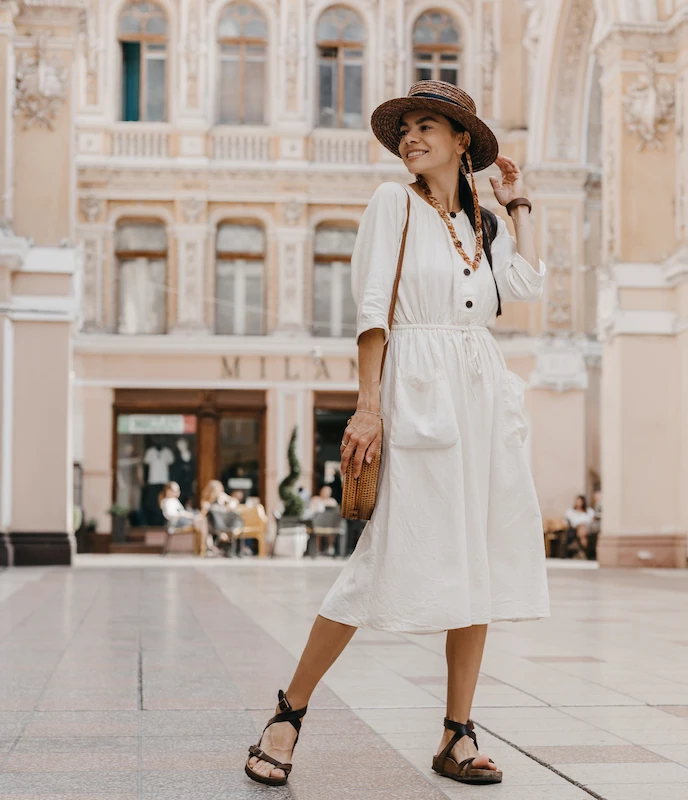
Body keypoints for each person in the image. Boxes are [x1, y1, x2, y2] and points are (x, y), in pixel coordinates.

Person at [245, 81, 549, 789]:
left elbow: (527, 289)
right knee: (379, 556)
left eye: (428, 127)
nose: (412, 138)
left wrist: (516, 205)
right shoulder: (394, 204)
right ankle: (288, 714)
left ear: (461, 140)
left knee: (476, 562)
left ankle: (457, 733)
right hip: (418, 389)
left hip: (478, 392)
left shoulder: (481, 224)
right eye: (405, 128)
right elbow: (373, 306)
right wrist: (367, 404)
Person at [200, 480, 241, 557]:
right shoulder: (206, 500)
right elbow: (204, 510)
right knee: (211, 514)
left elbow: (234, 502)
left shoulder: (222, 497)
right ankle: (219, 537)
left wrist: (226, 505)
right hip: (211, 524)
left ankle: (219, 539)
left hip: (223, 522)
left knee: (215, 513)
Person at [564, 494, 595, 559]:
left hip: (586, 529)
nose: (579, 503)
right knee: (582, 532)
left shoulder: (589, 511)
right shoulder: (571, 512)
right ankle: (584, 552)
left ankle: (581, 550)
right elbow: (567, 522)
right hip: (574, 529)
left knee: (583, 529)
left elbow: (591, 521)